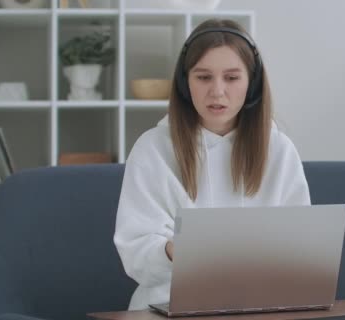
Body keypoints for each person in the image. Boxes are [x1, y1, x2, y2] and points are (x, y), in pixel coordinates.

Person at [113, 18, 311, 311]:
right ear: (184, 82)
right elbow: (135, 251)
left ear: (252, 83)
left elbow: (302, 248)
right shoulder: (152, 148)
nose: (217, 92)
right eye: (203, 77)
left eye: (231, 78)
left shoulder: (279, 149)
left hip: (261, 308)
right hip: (168, 306)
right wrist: (170, 252)